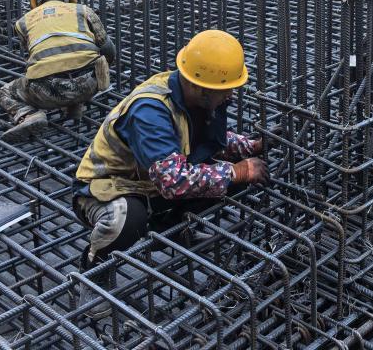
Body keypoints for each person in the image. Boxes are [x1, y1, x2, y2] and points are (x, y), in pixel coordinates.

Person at [72, 29, 269, 314]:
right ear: (202, 89)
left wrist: (250, 147)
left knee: (229, 175)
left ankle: (173, 229)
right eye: (226, 89)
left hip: (150, 183)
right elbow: (173, 181)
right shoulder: (150, 111)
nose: (231, 94)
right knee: (129, 216)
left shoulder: (192, 98)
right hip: (106, 190)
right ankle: (93, 273)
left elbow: (205, 141)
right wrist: (238, 172)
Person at [0, 0, 114, 142]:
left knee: (5, 92)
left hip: (47, 92)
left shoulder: (23, 22)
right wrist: (101, 73)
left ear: (38, 2)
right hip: (90, 85)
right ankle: (75, 105)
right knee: (82, 62)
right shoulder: (82, 10)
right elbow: (109, 50)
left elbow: (33, 56)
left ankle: (29, 115)